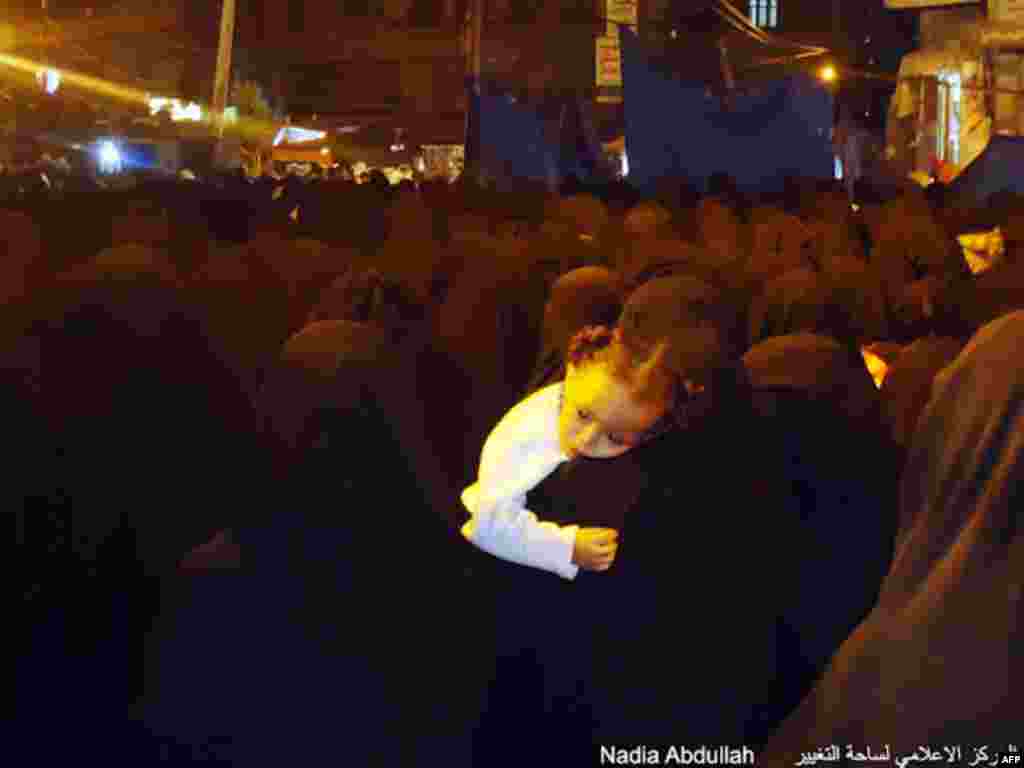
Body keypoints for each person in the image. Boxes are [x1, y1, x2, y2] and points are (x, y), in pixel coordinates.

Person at [461, 325, 674, 580]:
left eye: (615, 438)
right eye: (582, 415)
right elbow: (485, 526)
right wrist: (566, 547)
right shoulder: (521, 439)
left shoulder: (595, 393)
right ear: (572, 369)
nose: (585, 441)